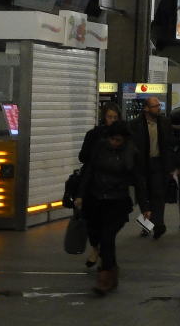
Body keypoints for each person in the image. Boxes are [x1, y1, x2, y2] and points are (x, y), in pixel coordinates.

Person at [76, 120, 149, 296]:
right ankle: (112, 271)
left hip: (118, 202)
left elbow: (139, 180)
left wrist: (145, 207)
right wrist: (80, 195)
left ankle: (104, 277)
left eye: (118, 140)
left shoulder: (131, 153)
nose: (114, 143)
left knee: (107, 237)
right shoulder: (99, 148)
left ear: (124, 139)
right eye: (112, 139)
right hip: (96, 200)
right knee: (101, 237)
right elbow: (89, 172)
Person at [78, 101, 121, 268]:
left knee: (109, 223)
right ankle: (96, 248)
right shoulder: (94, 135)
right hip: (94, 184)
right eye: (110, 117)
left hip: (113, 186)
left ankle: (104, 254)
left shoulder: (122, 137)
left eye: (115, 117)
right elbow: (83, 157)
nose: (112, 120)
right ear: (104, 117)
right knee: (93, 220)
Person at [128, 96, 178, 240]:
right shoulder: (135, 124)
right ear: (146, 108)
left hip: (158, 163)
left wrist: (171, 165)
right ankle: (146, 227)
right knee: (143, 198)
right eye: (155, 106)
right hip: (142, 164)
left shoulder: (164, 122)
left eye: (159, 106)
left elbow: (169, 144)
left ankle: (158, 225)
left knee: (158, 196)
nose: (159, 108)